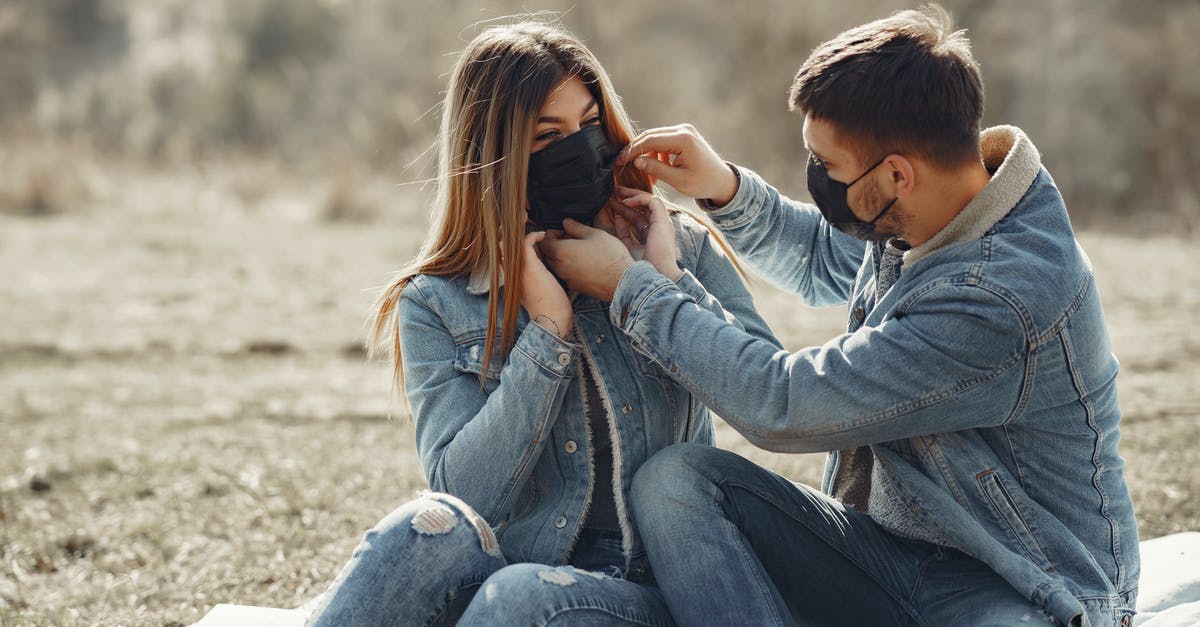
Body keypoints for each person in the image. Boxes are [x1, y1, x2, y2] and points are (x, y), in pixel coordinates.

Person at [540, 5, 1139, 626]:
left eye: (826, 166)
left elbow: (787, 404)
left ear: (897, 174)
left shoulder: (1001, 298)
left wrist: (632, 289)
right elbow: (826, 256)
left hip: (1022, 586)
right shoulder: (940, 205)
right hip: (889, 559)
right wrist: (721, 187)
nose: (815, 179)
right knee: (677, 483)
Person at [304, 21, 778, 627]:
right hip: (509, 568)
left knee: (525, 597)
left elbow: (764, 391)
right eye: (549, 136)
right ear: (495, 162)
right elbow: (463, 494)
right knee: (422, 528)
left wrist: (655, 285)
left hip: (644, 583)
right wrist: (547, 331)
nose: (581, 149)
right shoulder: (437, 301)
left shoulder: (671, 244)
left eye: (589, 125)